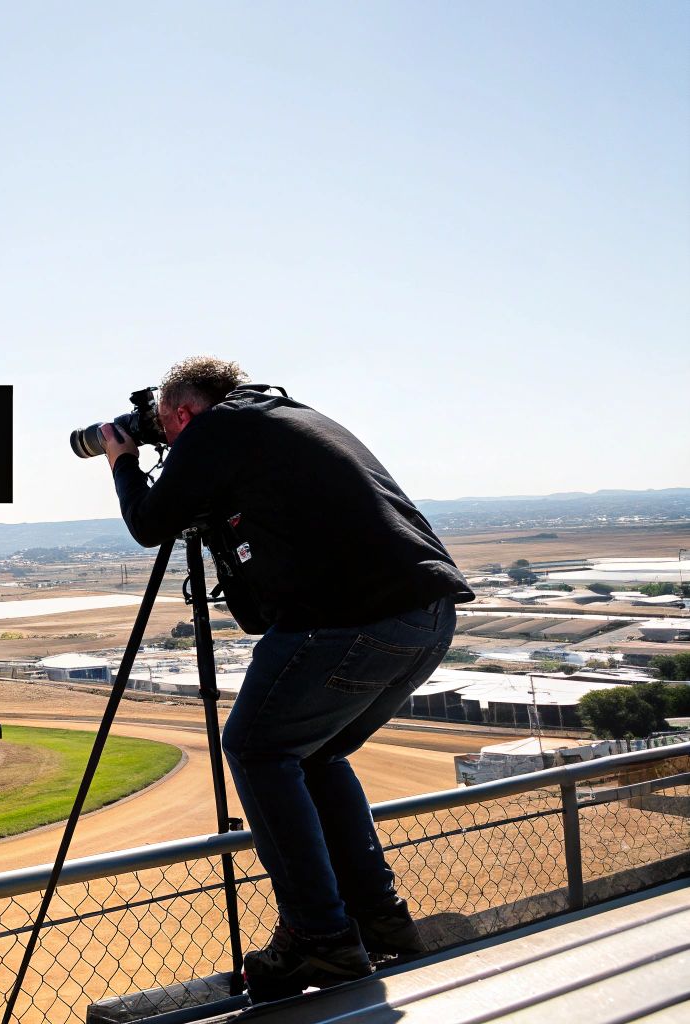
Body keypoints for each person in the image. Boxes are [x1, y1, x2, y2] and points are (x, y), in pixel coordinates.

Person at [99, 356, 474, 1001]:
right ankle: (378, 918)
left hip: (352, 618)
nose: (165, 436)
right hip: (427, 617)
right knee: (316, 752)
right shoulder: (287, 418)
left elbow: (149, 523)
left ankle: (319, 937)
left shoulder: (217, 428)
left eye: (163, 424)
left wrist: (122, 462)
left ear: (182, 414)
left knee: (257, 749)